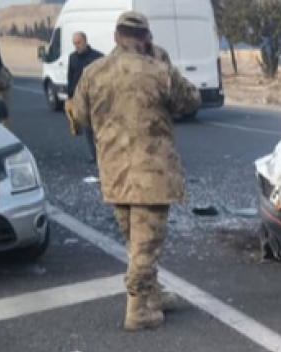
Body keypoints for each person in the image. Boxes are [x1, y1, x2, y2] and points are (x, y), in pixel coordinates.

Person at [66, 10, 201, 332]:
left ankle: (151, 294)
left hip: (114, 171)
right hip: (151, 173)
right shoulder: (158, 71)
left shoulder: (93, 71)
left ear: (115, 37)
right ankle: (137, 310)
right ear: (146, 38)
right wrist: (162, 61)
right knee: (145, 243)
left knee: (135, 241)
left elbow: (79, 116)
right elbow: (191, 101)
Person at [66, 31, 104, 161]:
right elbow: (70, 77)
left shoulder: (98, 57)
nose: (76, 46)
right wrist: (70, 97)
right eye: (74, 43)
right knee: (87, 128)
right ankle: (94, 154)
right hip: (80, 99)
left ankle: (102, 153)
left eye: (78, 42)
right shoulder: (72, 58)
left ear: (85, 41)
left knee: (99, 127)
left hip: (95, 98)